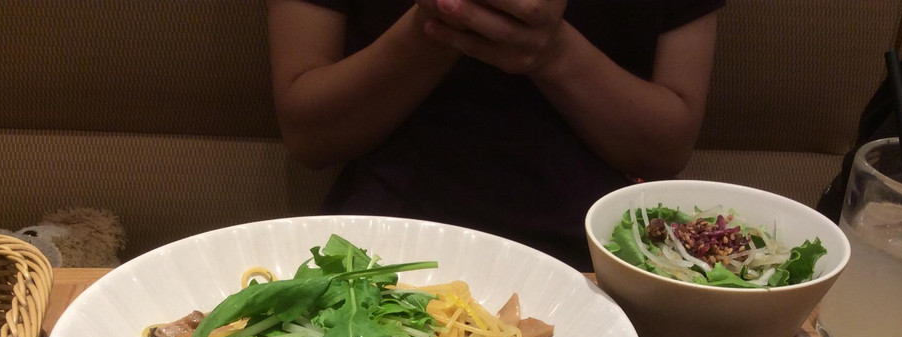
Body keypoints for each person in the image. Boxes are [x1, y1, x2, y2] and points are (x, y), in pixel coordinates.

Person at [267, 0, 723, 271]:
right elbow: (310, 136)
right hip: (380, 247)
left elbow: (666, 149)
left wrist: (551, 50)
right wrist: (440, 24)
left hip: (595, 255)